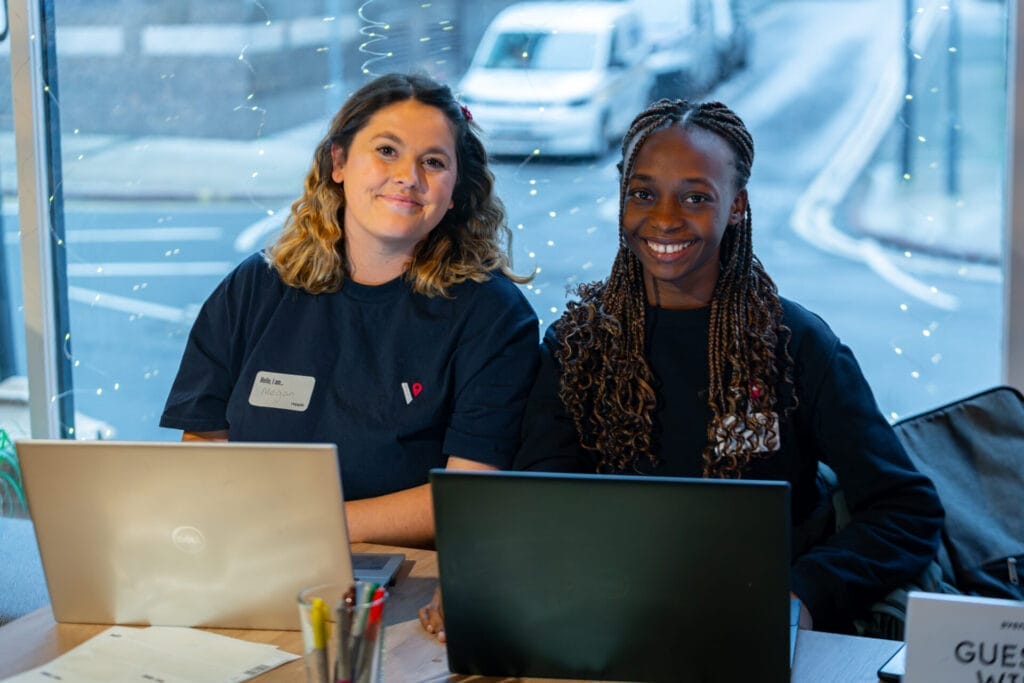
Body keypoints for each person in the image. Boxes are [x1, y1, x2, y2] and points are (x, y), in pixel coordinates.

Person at [419, 99, 943, 638]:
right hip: (605, 617)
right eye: (643, 194)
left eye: (695, 197)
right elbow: (538, 501)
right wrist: (483, 580)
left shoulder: (797, 345)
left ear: (736, 206)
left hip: (749, 619)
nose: (665, 218)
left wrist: (802, 594)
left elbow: (906, 510)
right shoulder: (577, 344)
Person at [160, 73, 539, 548]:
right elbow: (204, 443)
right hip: (254, 558)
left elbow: (469, 493)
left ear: (457, 186)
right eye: (386, 150)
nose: (408, 176)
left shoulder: (493, 316)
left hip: (407, 579)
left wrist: (304, 526)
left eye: (434, 161)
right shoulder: (254, 288)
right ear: (338, 161)